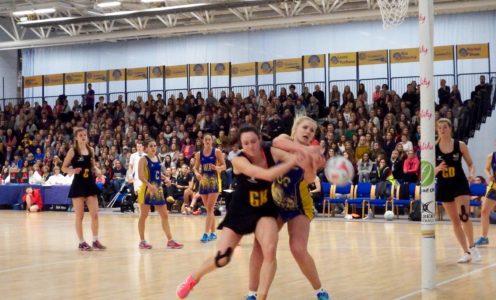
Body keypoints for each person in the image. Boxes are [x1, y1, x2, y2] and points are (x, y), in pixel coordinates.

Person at [176, 125, 304, 300]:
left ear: (259, 140)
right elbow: (265, 175)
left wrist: (308, 155)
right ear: (241, 145)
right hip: (241, 209)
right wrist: (293, 160)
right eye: (246, 143)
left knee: (270, 249)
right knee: (223, 258)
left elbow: (298, 160)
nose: (250, 146)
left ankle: (260, 296)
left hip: (265, 208)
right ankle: (193, 279)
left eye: (253, 141)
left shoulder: (271, 152)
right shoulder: (238, 160)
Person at [248, 116, 329, 300]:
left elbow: (308, 179)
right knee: (261, 246)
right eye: (305, 127)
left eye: (312, 131)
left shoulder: (312, 157)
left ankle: (320, 290)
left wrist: (312, 162)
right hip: (275, 200)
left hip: (299, 203)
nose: (308, 132)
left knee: (298, 249)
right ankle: (252, 293)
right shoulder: (284, 140)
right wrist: (305, 152)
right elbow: (275, 142)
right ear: (295, 129)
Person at [435, 118, 481, 263]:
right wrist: (437, 168)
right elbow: (427, 172)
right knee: (454, 221)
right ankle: (466, 252)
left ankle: (473, 247)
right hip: (444, 186)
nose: (442, 130)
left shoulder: (459, 145)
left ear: (450, 128)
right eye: (439, 128)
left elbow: (471, 164)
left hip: (459, 184)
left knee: (464, 216)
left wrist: (472, 175)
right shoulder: (433, 148)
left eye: (445, 127)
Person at [62, 127, 106, 251]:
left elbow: (93, 166)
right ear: (76, 137)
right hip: (78, 185)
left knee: (95, 214)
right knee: (79, 216)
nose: (83, 137)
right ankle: (81, 242)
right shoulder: (73, 151)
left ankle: (95, 240)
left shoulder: (91, 150)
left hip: (90, 184)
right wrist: (72, 170)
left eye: (85, 135)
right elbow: (63, 168)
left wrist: (97, 171)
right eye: (80, 135)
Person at [137, 138, 183, 250]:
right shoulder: (143, 159)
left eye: (154, 145)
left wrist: (165, 178)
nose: (153, 148)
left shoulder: (156, 157)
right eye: (151, 146)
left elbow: (157, 173)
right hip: (147, 190)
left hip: (158, 190)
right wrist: (149, 185)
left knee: (165, 215)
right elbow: (140, 176)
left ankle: (170, 240)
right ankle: (142, 241)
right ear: (146, 148)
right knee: (144, 215)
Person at [193, 133, 226, 242]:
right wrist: (197, 173)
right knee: (208, 209)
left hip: (214, 181)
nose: (207, 141)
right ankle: (213, 233)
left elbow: (224, 166)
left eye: (209, 139)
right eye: (205, 139)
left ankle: (206, 234)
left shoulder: (216, 152)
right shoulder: (199, 154)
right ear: (203, 141)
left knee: (210, 208)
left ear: (212, 141)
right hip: (203, 182)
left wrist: (217, 168)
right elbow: (195, 168)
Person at [475, 150, 496, 246]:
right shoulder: (491, 156)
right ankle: (484, 237)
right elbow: (486, 169)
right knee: (484, 211)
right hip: (494, 187)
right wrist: (489, 175)